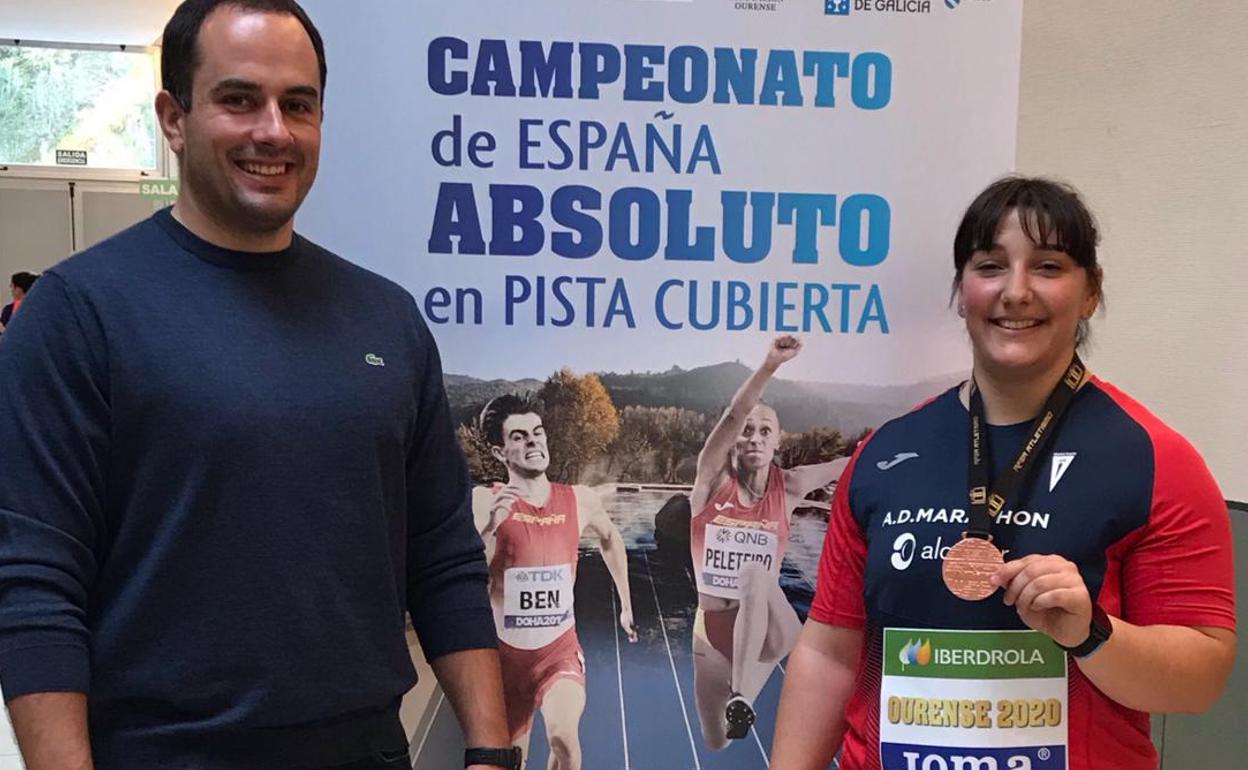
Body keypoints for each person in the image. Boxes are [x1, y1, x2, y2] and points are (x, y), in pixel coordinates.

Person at [0, 2, 518, 769]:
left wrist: (490, 749)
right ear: (174, 120)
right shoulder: (78, 315)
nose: (273, 130)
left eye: (298, 105)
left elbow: (441, 555)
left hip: (368, 752)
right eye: (239, 99)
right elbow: (35, 589)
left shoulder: (387, 321)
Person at [771, 176, 1237, 770]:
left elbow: (1199, 680)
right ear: (961, 290)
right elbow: (833, 650)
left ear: (1090, 292)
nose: (1015, 292)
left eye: (1047, 267)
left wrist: (1092, 633)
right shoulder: (886, 453)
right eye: (991, 266)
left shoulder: (1156, 460)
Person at [688, 334, 849, 749]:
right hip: (713, 629)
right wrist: (769, 366)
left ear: (778, 441)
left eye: (765, 431)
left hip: (771, 627)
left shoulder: (790, 487)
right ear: (734, 442)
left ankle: (741, 694)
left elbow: (846, 462)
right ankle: (737, 702)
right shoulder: (710, 482)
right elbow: (733, 413)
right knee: (716, 742)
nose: (754, 437)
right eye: (746, 431)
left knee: (756, 574)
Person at [473, 394, 638, 770]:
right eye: (519, 437)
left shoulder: (579, 499)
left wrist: (626, 606)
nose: (533, 441)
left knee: (563, 737)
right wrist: (489, 529)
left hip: (558, 653)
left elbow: (611, 539)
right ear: (500, 453)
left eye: (537, 432)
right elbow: (467, 572)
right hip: (504, 659)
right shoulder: (485, 502)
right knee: (511, 760)